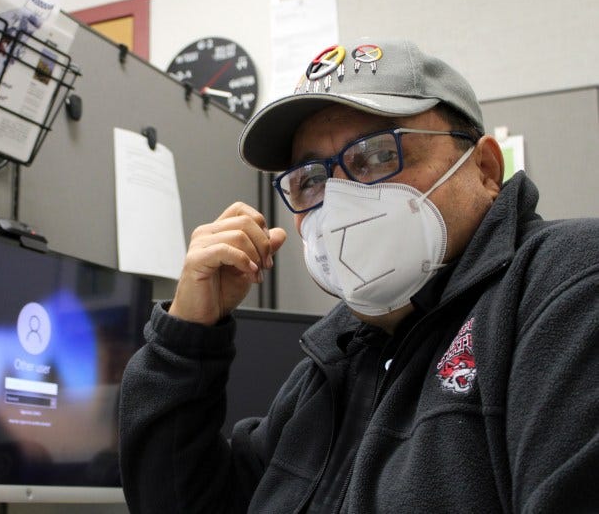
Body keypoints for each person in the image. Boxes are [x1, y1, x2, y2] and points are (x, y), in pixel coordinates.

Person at [118, 37, 599, 513]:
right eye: (310, 179)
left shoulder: (566, 285)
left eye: (376, 155)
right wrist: (186, 338)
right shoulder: (335, 361)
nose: (341, 199)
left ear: (485, 169)